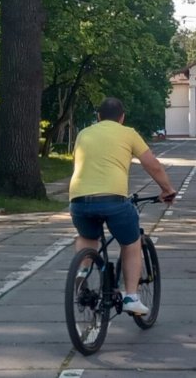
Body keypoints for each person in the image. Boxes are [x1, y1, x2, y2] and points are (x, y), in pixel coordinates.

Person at [68, 97, 176, 316]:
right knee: (131, 241)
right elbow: (152, 165)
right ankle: (131, 297)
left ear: (98, 117)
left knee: (87, 238)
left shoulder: (83, 134)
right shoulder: (128, 133)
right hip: (113, 201)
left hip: (79, 200)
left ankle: (81, 274)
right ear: (122, 117)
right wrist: (167, 190)